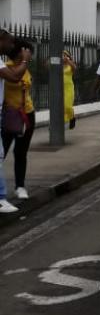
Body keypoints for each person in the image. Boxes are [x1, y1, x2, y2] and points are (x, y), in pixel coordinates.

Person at [0, 30, 32, 213]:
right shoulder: (9, 66)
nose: (11, 46)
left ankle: (18, 187)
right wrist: (25, 61)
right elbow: (14, 77)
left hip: (24, 113)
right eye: (9, 42)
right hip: (9, 115)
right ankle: (1, 198)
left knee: (19, 152)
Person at [62, 51, 77, 129]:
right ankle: (60, 123)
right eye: (62, 55)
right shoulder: (58, 65)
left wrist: (68, 61)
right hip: (59, 89)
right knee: (60, 106)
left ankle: (72, 118)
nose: (63, 56)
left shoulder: (70, 64)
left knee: (68, 106)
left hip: (68, 88)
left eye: (65, 55)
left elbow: (74, 68)